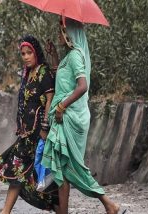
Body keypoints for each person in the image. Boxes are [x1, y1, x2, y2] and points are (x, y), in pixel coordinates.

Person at [42, 18, 123, 214]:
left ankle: (109, 204)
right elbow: (62, 79)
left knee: (73, 167)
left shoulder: (76, 55)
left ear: (69, 33)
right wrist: (53, 56)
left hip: (70, 118)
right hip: (64, 116)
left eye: (61, 31)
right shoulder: (68, 56)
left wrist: (61, 106)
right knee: (61, 169)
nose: (58, 35)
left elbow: (82, 86)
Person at [0, 35, 58, 213]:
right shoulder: (28, 73)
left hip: (38, 133)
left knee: (37, 175)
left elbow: (50, 99)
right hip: (26, 133)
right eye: (23, 53)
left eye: (29, 53)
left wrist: (45, 127)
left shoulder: (43, 72)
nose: (26, 56)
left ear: (36, 53)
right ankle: (5, 211)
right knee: (18, 170)